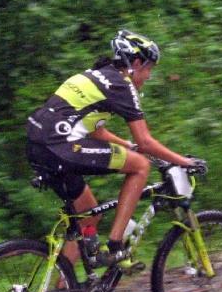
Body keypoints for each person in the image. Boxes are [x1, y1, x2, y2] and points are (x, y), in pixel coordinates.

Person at [25, 29, 207, 269]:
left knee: (89, 214)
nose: (149, 76)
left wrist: (127, 146)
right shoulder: (122, 85)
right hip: (60, 146)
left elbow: (95, 131)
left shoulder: (97, 76)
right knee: (140, 166)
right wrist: (184, 161)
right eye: (149, 69)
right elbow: (145, 141)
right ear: (137, 63)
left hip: (37, 143)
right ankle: (115, 245)